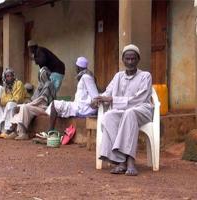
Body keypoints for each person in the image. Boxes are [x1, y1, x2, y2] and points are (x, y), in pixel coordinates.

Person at [91, 44, 153, 176]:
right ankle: (121, 160)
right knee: (108, 116)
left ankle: (130, 161)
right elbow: (107, 93)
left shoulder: (145, 76)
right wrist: (97, 99)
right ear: (123, 60)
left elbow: (140, 99)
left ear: (138, 59)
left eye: (133, 59)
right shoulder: (118, 76)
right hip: (123, 112)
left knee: (129, 113)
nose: (130, 62)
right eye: (127, 59)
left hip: (142, 110)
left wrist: (113, 100)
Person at [45, 57, 98, 132]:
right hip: (79, 106)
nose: (75, 69)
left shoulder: (86, 77)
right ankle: (53, 131)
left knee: (54, 104)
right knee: (52, 106)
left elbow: (95, 95)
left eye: (76, 67)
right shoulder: (84, 76)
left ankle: (50, 132)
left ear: (78, 67)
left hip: (81, 108)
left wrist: (92, 108)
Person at [7, 67, 56, 140]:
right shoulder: (40, 85)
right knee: (16, 107)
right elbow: (33, 99)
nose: (40, 76)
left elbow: (42, 100)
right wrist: (28, 103)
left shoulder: (49, 84)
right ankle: (16, 131)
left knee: (24, 107)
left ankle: (23, 133)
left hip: (45, 108)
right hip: (37, 106)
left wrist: (28, 104)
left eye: (42, 74)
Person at [0, 68, 26, 138]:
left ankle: (9, 129)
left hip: (20, 104)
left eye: (11, 76)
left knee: (10, 104)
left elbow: (17, 99)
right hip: (10, 104)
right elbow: (3, 99)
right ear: (5, 78)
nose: (10, 78)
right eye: (7, 76)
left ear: (14, 76)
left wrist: (2, 100)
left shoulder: (19, 83)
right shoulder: (6, 87)